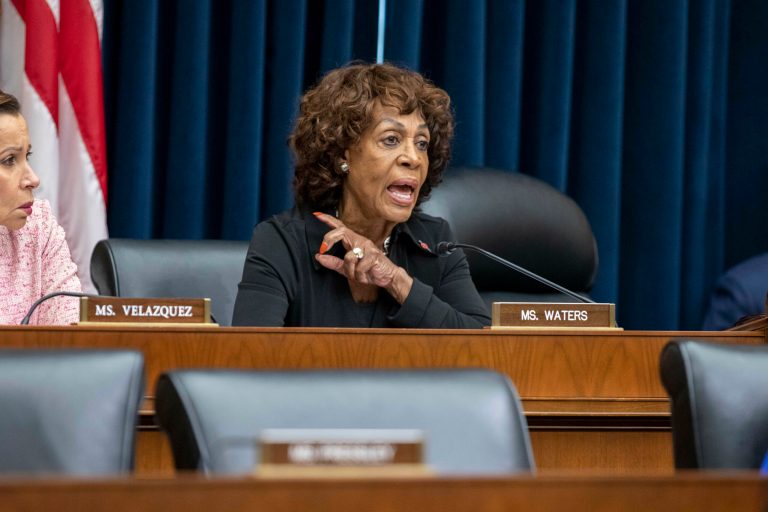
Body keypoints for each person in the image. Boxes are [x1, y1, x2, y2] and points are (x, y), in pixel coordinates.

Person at [232, 62, 490, 328]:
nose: (413, 158)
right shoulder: (282, 242)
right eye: (391, 139)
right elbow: (251, 358)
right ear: (343, 154)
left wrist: (395, 280)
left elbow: (486, 348)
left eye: (422, 143)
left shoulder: (435, 244)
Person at [0, 90, 82, 325]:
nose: (33, 179)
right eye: (9, 160)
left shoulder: (37, 225)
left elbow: (71, 332)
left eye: (28, 155)